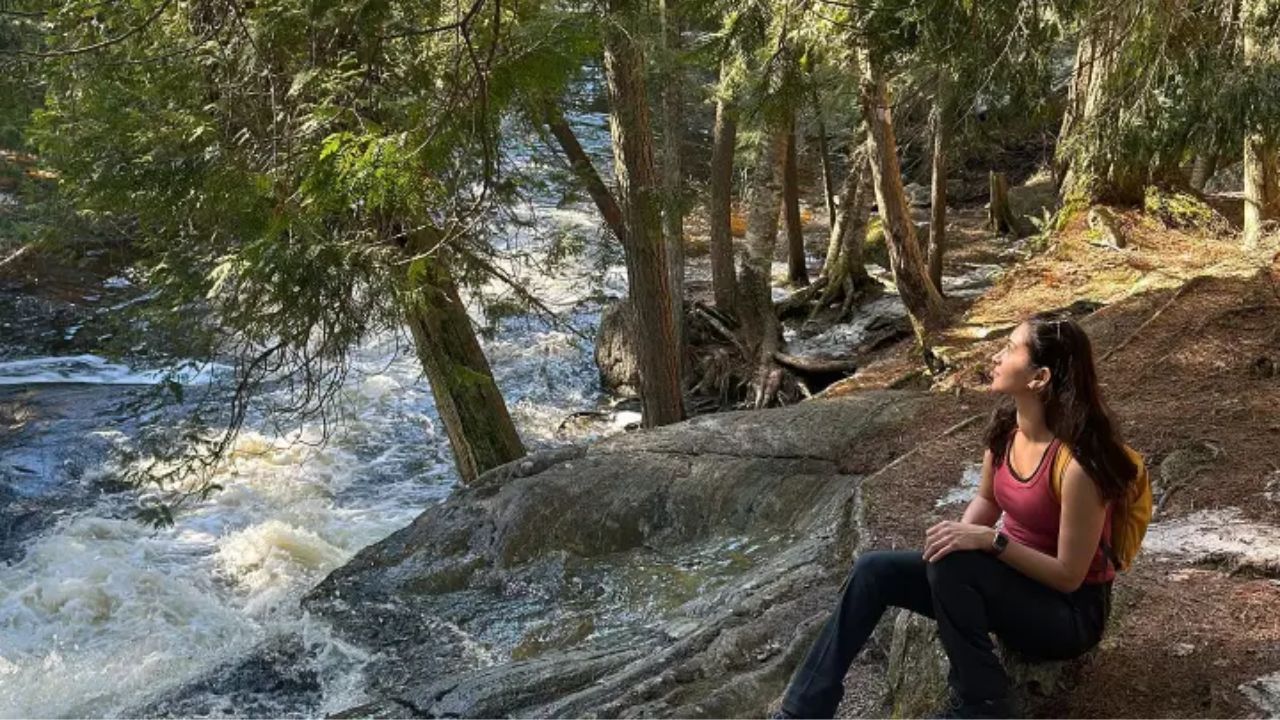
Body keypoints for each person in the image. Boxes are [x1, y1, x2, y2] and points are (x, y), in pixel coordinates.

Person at [776, 313, 1139, 719]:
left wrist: (990, 542)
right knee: (874, 570)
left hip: (1068, 615)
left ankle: (983, 703)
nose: (997, 357)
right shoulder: (1006, 432)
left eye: (1010, 349)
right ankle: (803, 709)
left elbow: (1069, 575)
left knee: (956, 566)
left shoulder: (1078, 466)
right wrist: (957, 537)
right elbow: (987, 500)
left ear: (1039, 378)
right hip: (1011, 586)